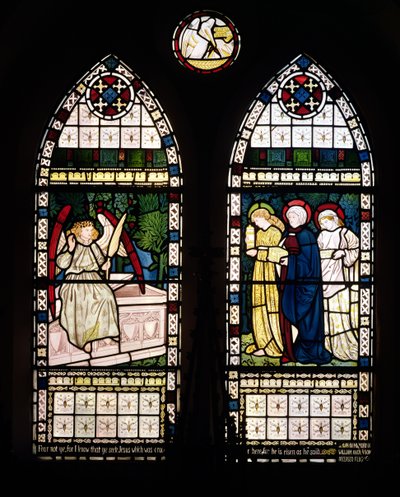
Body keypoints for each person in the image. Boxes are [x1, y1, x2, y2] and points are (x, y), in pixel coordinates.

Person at [56, 220, 120, 353]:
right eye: (87, 230)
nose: (90, 232)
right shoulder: (72, 244)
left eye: (91, 229)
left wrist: (105, 266)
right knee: (83, 302)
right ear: (79, 231)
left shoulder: (93, 246)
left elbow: (101, 261)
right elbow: (61, 264)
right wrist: (70, 250)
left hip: (93, 278)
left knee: (107, 296)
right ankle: (83, 339)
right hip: (75, 280)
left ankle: (106, 334)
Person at [280, 200, 332, 364]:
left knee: (308, 319)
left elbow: (309, 262)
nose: (291, 219)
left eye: (294, 216)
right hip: (290, 280)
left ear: (302, 218)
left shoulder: (307, 235)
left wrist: (290, 261)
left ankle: (310, 351)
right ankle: (293, 350)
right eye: (289, 217)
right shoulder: (287, 233)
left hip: (307, 283)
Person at [315, 203, 359, 361]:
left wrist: (343, 253)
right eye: (321, 223)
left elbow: (357, 250)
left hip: (339, 276)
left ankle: (343, 344)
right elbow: (316, 253)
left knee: (339, 310)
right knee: (325, 311)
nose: (323, 225)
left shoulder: (345, 233)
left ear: (334, 219)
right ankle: (327, 345)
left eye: (325, 221)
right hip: (323, 273)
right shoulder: (321, 235)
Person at [245, 206, 287, 357]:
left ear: (263, 217)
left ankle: (274, 343)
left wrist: (257, 253)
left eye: (257, 220)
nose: (255, 224)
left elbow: (276, 254)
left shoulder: (275, 232)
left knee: (270, 304)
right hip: (259, 270)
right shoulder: (259, 232)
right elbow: (255, 249)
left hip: (270, 271)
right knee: (258, 304)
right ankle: (262, 342)